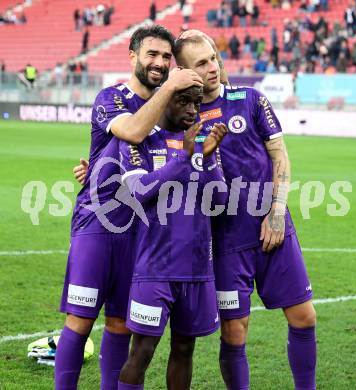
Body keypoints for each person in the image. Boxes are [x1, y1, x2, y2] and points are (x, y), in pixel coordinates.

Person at [56, 24, 203, 390]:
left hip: (142, 231)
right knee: (81, 319)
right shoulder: (112, 98)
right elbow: (135, 133)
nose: (159, 62)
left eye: (166, 57)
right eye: (151, 54)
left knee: (120, 323)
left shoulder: (171, 107)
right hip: (99, 223)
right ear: (133, 56)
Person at [174, 32, 317, 390]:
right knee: (234, 332)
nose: (211, 67)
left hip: (273, 226)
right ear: (183, 71)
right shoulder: (182, 119)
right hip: (224, 241)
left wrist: (277, 212)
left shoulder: (250, 99)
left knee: (304, 317)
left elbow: (279, 155)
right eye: (200, 63)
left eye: (212, 58)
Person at [117, 86, 228, 390]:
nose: (193, 109)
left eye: (196, 103)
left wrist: (209, 159)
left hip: (195, 271)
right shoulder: (140, 141)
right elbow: (138, 192)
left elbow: (218, 202)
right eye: (183, 101)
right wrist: (184, 157)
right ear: (163, 101)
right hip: (155, 270)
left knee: (183, 349)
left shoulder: (201, 143)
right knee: (141, 353)